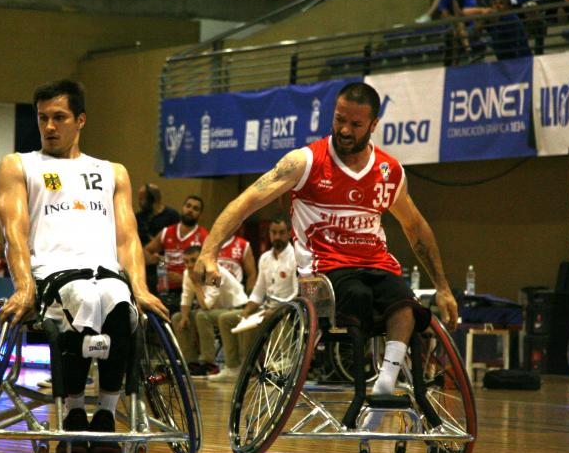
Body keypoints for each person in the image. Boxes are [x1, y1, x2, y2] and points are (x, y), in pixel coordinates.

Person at [194, 82, 459, 416]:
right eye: (339, 120)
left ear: (373, 126)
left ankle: (385, 383)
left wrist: (443, 287)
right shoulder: (304, 162)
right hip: (326, 271)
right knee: (358, 296)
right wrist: (208, 252)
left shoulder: (389, 171)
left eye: (355, 124)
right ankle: (369, 385)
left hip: (376, 264)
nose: (344, 130)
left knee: (404, 302)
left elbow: (416, 228)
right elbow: (246, 202)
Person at [0, 79, 167, 453]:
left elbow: (127, 238)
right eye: (43, 118)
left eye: (59, 117)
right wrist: (23, 286)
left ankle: (105, 416)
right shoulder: (19, 165)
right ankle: (73, 412)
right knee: (80, 299)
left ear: (81, 120)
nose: (50, 127)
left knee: (119, 300)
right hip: (52, 274)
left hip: (105, 270)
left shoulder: (112, 172)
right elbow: (14, 232)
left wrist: (140, 286)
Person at [178, 244, 248, 379]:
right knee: (178, 317)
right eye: (186, 261)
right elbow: (186, 299)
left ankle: (208, 363)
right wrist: (184, 317)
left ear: (201, 260)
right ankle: (191, 363)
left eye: (193, 260)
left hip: (236, 308)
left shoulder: (214, 272)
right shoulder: (188, 273)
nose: (189, 265)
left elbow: (206, 306)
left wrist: (197, 285)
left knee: (202, 315)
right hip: (216, 310)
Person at [236, 216, 298, 363]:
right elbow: (258, 292)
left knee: (274, 316)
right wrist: (246, 310)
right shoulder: (264, 258)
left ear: (289, 233)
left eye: (281, 232)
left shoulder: (295, 256)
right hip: (266, 307)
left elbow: (297, 292)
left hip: (290, 308)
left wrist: (277, 309)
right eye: (273, 232)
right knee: (231, 319)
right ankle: (240, 366)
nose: (277, 237)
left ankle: (284, 360)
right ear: (269, 234)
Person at [145, 194, 209, 319]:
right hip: (165, 288)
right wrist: (156, 261)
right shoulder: (167, 232)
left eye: (195, 209)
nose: (190, 210)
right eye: (188, 206)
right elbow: (145, 252)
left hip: (189, 290)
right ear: (182, 208)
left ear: (200, 215)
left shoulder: (204, 237)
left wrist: (183, 278)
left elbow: (207, 271)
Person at [135, 182, 179, 287]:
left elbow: (177, 240)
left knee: (162, 291)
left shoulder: (171, 216)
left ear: (152, 200)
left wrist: (161, 257)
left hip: (163, 264)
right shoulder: (138, 217)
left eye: (142, 199)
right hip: (143, 263)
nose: (139, 202)